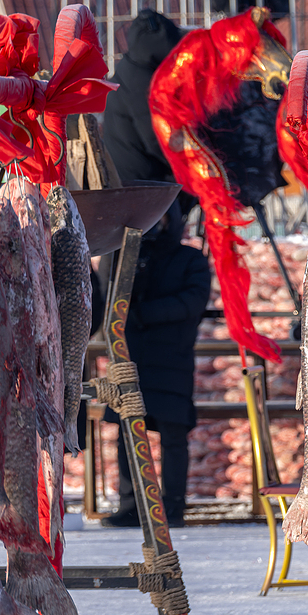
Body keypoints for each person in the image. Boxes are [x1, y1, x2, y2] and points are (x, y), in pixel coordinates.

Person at [100, 207, 210, 528]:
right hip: (132, 356)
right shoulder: (130, 257)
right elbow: (110, 295)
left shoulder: (191, 260)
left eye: (160, 221)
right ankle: (131, 505)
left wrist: (143, 314)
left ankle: (173, 506)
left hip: (172, 357)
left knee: (173, 435)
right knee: (127, 431)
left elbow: (192, 301)